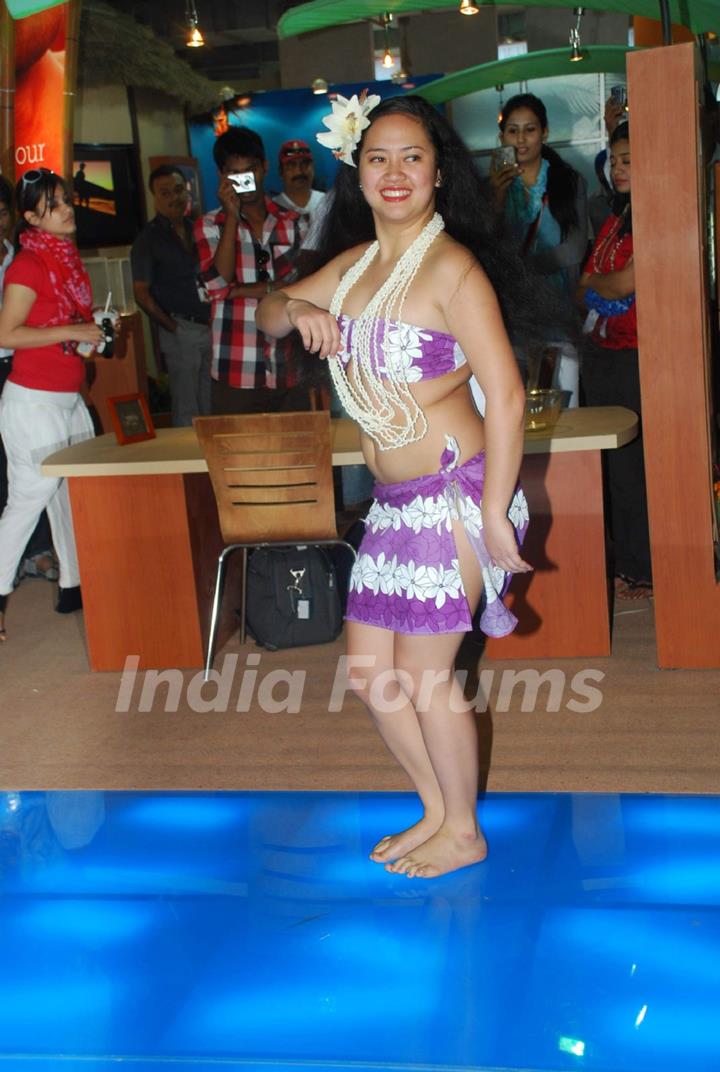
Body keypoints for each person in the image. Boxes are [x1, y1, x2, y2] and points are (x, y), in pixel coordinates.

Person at [257, 94, 542, 879]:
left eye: (411, 157)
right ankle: (439, 809)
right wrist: (300, 306)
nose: (394, 172)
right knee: (370, 677)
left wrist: (494, 516)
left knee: (424, 676)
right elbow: (267, 315)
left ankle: (465, 831)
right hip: (391, 506)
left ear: (437, 174)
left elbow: (508, 397)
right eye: (377, 156)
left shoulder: (452, 268)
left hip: (459, 494)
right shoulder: (354, 268)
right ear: (357, 171)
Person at [0, 168, 104, 641]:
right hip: (33, 401)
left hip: (66, 397)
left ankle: (73, 585)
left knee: (71, 497)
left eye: (65, 199)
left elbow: (65, 324)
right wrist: (71, 332)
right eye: (54, 204)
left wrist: (90, 332)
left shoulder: (66, 259)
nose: (66, 209)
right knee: (29, 499)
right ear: (29, 217)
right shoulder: (28, 264)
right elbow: (6, 334)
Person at [579, 122, 651, 601]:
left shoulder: (653, 213)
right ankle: (625, 561)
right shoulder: (615, 215)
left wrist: (600, 283)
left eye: (629, 158)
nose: (619, 167)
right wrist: (601, 282)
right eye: (615, 158)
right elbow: (587, 276)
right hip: (600, 351)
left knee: (634, 467)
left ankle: (644, 566)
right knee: (609, 468)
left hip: (637, 352)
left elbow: (625, 283)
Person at [193, 127, 308, 415]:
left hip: (289, 368)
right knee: (237, 460)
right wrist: (231, 217)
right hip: (236, 369)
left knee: (299, 458)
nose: (246, 181)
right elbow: (218, 285)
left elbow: (305, 286)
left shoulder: (295, 224)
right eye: (235, 174)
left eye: (251, 170)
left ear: (265, 167)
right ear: (222, 176)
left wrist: (240, 291)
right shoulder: (210, 225)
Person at [490, 93, 587, 403]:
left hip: (557, 310)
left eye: (530, 129)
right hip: (510, 315)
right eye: (513, 130)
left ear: (544, 133)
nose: (521, 139)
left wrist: (522, 269)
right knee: (517, 405)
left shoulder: (569, 181)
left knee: (565, 405)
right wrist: (496, 197)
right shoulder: (489, 186)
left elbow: (574, 248)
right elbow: (485, 246)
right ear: (501, 136)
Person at [0, 175, 58, 585]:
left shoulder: (21, 256)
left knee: (26, 467)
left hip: (21, 367)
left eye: (1, 212)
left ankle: (34, 550)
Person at [131, 165, 211, 427]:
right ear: (154, 196)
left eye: (178, 190)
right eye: (164, 193)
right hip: (179, 328)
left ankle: (212, 466)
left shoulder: (198, 229)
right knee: (187, 407)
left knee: (210, 404)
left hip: (208, 325)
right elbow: (141, 293)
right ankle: (189, 466)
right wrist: (172, 327)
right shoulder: (148, 239)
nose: (173, 198)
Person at [273, 139, 327, 224]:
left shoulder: (327, 202)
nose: (299, 171)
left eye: (305, 164)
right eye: (291, 165)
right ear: (281, 172)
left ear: (313, 167)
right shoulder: (272, 209)